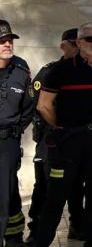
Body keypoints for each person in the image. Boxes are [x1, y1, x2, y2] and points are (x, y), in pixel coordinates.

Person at [34, 22, 92, 247]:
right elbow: (44, 105)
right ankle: (41, 242)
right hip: (68, 142)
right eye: (90, 38)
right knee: (55, 199)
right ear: (79, 42)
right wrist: (61, 125)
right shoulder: (60, 70)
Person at [26, 28, 81, 244]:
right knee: (45, 187)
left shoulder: (87, 71)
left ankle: (77, 226)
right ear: (63, 46)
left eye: (79, 44)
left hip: (78, 139)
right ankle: (36, 230)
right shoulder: (50, 71)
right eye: (72, 44)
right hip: (52, 138)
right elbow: (36, 105)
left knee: (78, 185)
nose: (77, 48)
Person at [0, 20, 33, 245]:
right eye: (1, 41)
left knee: (3, 196)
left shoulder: (21, 69)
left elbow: (28, 107)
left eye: (9, 40)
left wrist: (14, 129)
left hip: (7, 143)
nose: (7, 44)